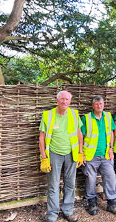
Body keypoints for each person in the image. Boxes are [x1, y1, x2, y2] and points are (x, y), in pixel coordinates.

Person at [39, 90, 84, 222]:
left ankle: (68, 212)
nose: (64, 102)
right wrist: (43, 157)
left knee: (70, 184)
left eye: (67, 99)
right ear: (57, 100)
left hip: (71, 154)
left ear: (70, 101)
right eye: (62, 99)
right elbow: (41, 138)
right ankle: (52, 215)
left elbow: (79, 134)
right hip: (54, 154)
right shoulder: (48, 115)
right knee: (53, 185)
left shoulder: (74, 114)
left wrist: (81, 152)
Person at [80, 96, 116, 216]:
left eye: (101, 104)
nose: (100, 106)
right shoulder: (86, 118)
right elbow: (80, 136)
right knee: (91, 179)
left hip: (105, 155)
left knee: (111, 177)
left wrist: (111, 148)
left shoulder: (108, 117)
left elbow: (111, 133)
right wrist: (81, 153)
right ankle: (92, 203)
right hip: (90, 156)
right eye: (97, 104)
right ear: (93, 106)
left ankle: (112, 203)